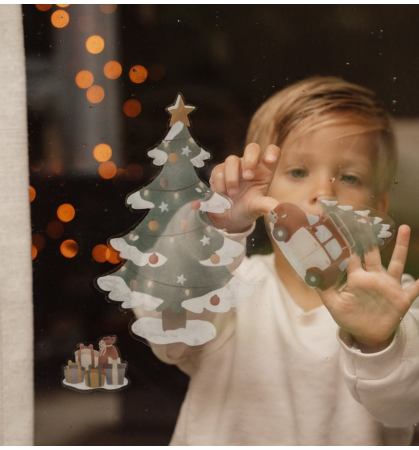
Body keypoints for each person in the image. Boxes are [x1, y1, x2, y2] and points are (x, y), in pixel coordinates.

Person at [152, 77, 419, 445]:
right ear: (259, 191)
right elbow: (163, 323)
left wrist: (378, 344)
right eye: (297, 172)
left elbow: (405, 408)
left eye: (350, 177)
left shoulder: (400, 304)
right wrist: (218, 229)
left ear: (379, 208)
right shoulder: (230, 290)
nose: (323, 193)